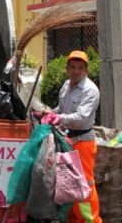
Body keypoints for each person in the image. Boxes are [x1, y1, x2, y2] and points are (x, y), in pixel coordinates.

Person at [41, 50, 102, 223]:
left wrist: (59, 118)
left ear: (86, 70)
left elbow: (81, 118)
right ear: (67, 68)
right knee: (68, 185)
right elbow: (61, 109)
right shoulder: (66, 85)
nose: (76, 71)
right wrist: (48, 113)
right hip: (67, 140)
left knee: (85, 185)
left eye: (80, 68)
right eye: (73, 67)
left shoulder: (90, 90)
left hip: (83, 142)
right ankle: (74, 220)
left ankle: (91, 220)